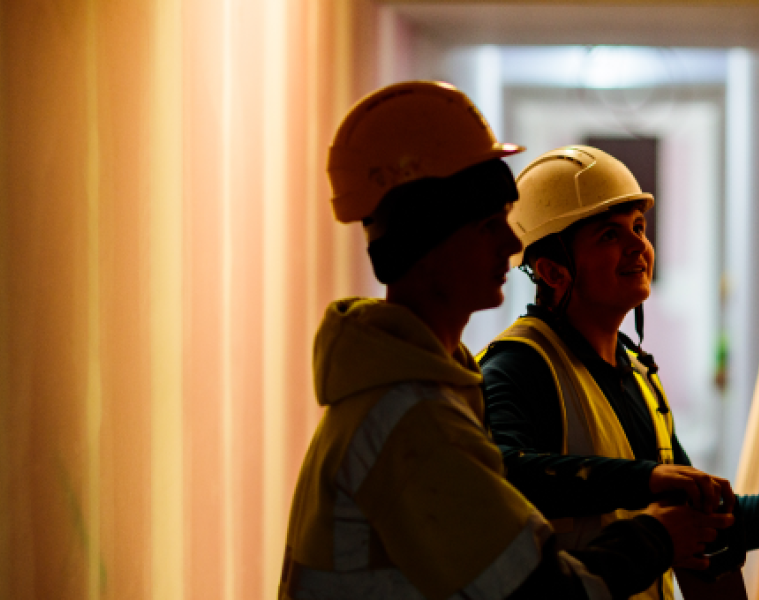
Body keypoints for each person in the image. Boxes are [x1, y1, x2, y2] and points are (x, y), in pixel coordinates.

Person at [278, 84, 733, 600]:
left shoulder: (424, 393)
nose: (514, 244)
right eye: (490, 225)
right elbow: (540, 593)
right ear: (433, 243)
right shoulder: (412, 420)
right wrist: (656, 535)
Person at [480, 145, 759, 600]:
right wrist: (647, 479)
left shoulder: (637, 373)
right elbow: (505, 474)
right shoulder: (519, 364)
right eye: (609, 235)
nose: (639, 247)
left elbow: (709, 522)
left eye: (638, 228)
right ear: (552, 271)